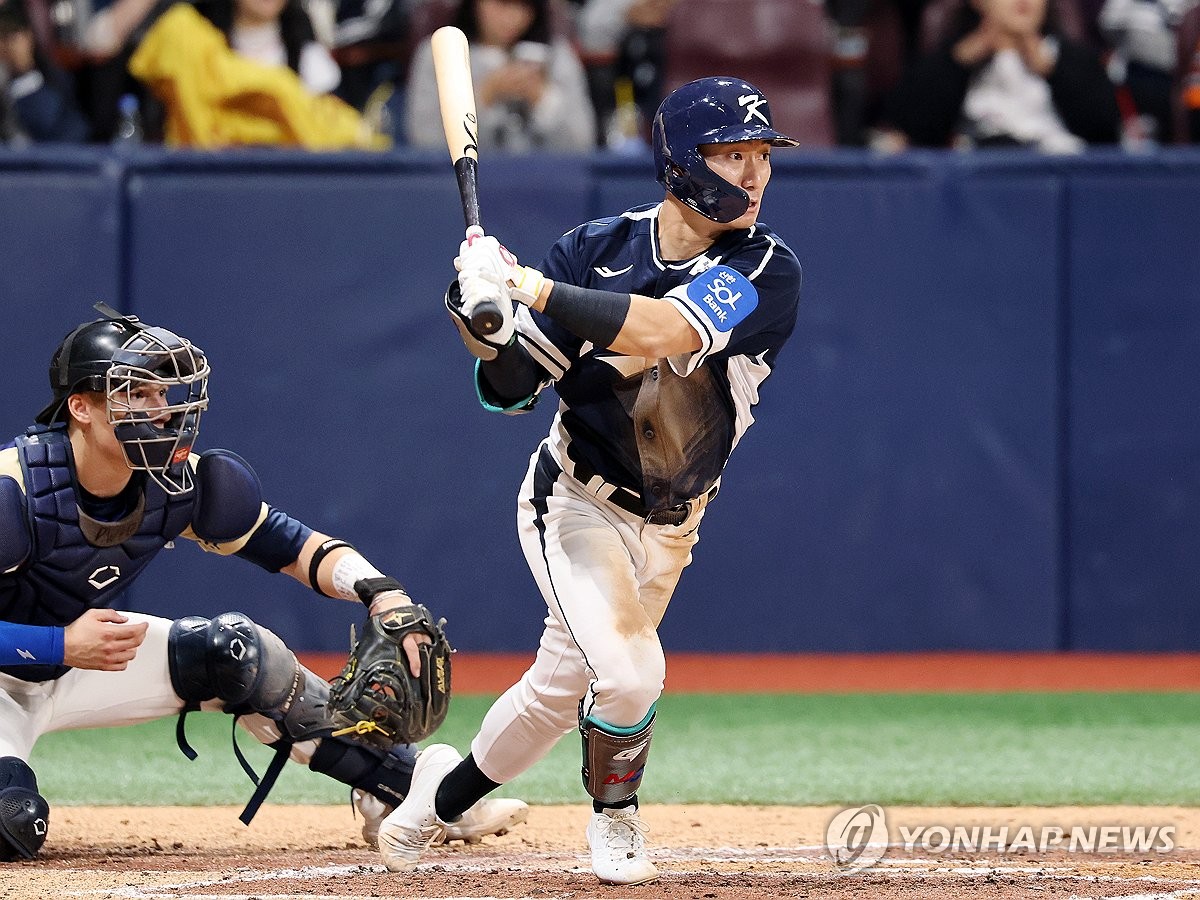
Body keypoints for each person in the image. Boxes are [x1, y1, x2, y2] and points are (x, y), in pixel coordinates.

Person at [375, 75, 803, 885]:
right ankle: (616, 820)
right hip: (572, 501)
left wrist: (528, 287)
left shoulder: (766, 268)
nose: (753, 174)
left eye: (761, 156)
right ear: (681, 162)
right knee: (633, 672)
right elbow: (509, 389)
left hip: (673, 524)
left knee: (559, 687)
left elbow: (668, 327)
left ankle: (439, 796)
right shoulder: (595, 251)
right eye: (733, 153)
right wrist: (480, 321)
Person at [0, 305, 527, 862]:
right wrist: (60, 643)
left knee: (236, 653)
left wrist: (379, 590)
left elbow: (292, 546)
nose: (159, 411)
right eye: (135, 393)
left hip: (83, 661)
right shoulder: (13, 491)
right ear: (80, 407)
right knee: (13, 827)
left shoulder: (179, 483)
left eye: (162, 394)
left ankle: (414, 793)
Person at [884, 0, 1122, 150]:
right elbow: (911, 130)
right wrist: (959, 63)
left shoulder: (1072, 59)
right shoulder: (948, 59)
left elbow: (1105, 130)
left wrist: (1052, 71)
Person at [405, 0, 594, 151]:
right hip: (461, 189)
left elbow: (582, 144)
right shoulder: (441, 52)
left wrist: (542, 98)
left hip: (544, 186)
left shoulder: (557, 56)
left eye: (523, 5)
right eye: (501, 3)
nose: (512, 17)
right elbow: (425, 141)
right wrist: (485, 96)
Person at [0, 0, 90, 143]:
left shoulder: (53, 77)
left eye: (9, 34)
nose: (5, 45)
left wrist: (24, 72)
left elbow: (68, 134)